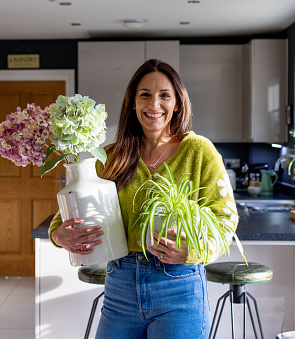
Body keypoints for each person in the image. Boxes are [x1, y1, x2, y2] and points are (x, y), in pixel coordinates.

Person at [48, 59, 238, 338]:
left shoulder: (199, 151)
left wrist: (193, 252)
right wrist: (58, 235)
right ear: (133, 103)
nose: (154, 104)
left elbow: (225, 218)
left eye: (164, 95)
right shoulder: (110, 156)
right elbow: (64, 215)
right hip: (120, 286)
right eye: (145, 95)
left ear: (177, 103)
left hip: (179, 287)